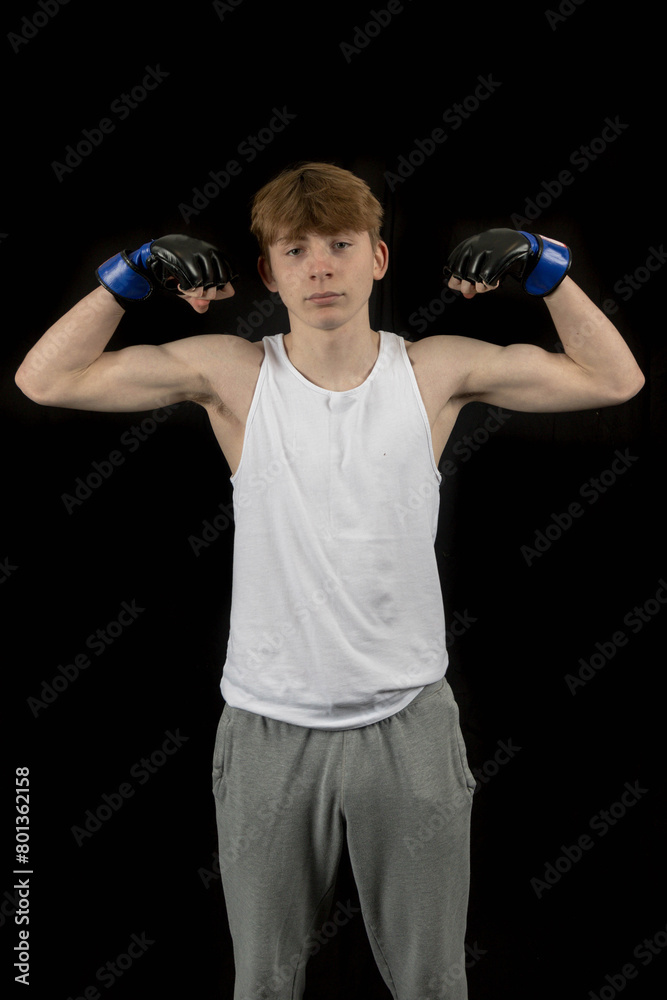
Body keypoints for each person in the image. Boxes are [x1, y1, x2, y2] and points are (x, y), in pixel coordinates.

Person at [15, 161, 645, 1000]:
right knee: (264, 985)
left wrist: (547, 272)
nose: (320, 265)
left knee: (430, 984)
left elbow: (615, 380)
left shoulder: (433, 370)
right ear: (269, 272)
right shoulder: (234, 373)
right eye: (295, 249)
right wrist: (125, 278)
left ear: (376, 260)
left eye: (340, 244)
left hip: (408, 721)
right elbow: (44, 379)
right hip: (268, 727)